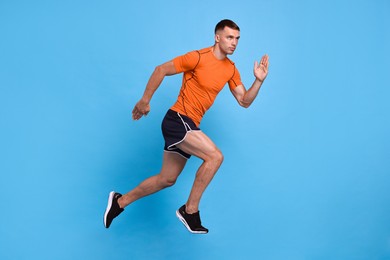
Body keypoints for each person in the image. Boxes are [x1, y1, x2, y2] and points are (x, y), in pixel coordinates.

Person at [104, 19, 269, 234]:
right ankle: (190, 211)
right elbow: (161, 69)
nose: (234, 43)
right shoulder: (198, 57)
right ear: (217, 37)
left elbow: (244, 101)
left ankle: (119, 202)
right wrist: (145, 100)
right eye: (229, 37)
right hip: (178, 120)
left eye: (237, 39)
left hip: (189, 126)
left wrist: (258, 81)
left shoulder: (230, 69)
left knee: (167, 179)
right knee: (215, 157)